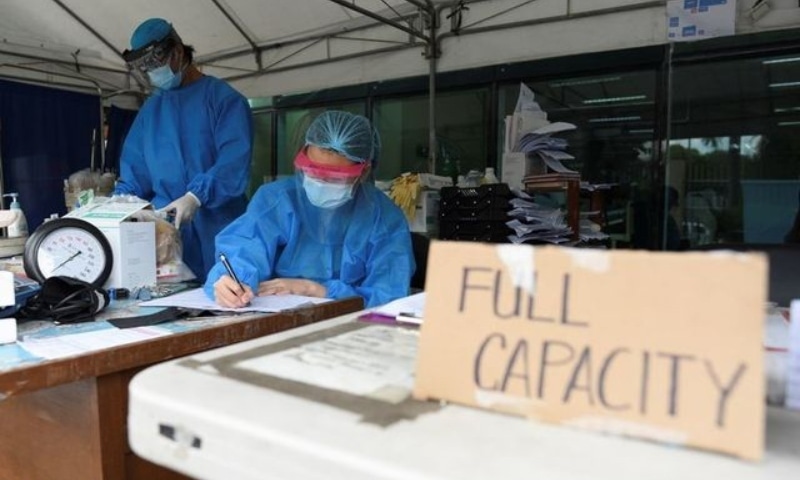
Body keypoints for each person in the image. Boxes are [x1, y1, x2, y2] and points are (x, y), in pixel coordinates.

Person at [205, 110, 415, 308]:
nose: (320, 182)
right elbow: (243, 248)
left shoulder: (384, 218)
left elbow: (390, 297)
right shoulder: (278, 200)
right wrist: (231, 282)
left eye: (334, 177)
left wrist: (318, 291)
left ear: (364, 171)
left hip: (354, 330)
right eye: (312, 170)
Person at [115, 18, 253, 282]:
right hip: (166, 237)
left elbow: (233, 163)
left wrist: (195, 197)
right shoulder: (151, 111)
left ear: (178, 53)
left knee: (227, 298)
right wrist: (116, 204)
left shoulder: (224, 100)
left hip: (221, 228)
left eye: (155, 66)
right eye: (145, 69)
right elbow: (135, 171)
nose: (152, 74)